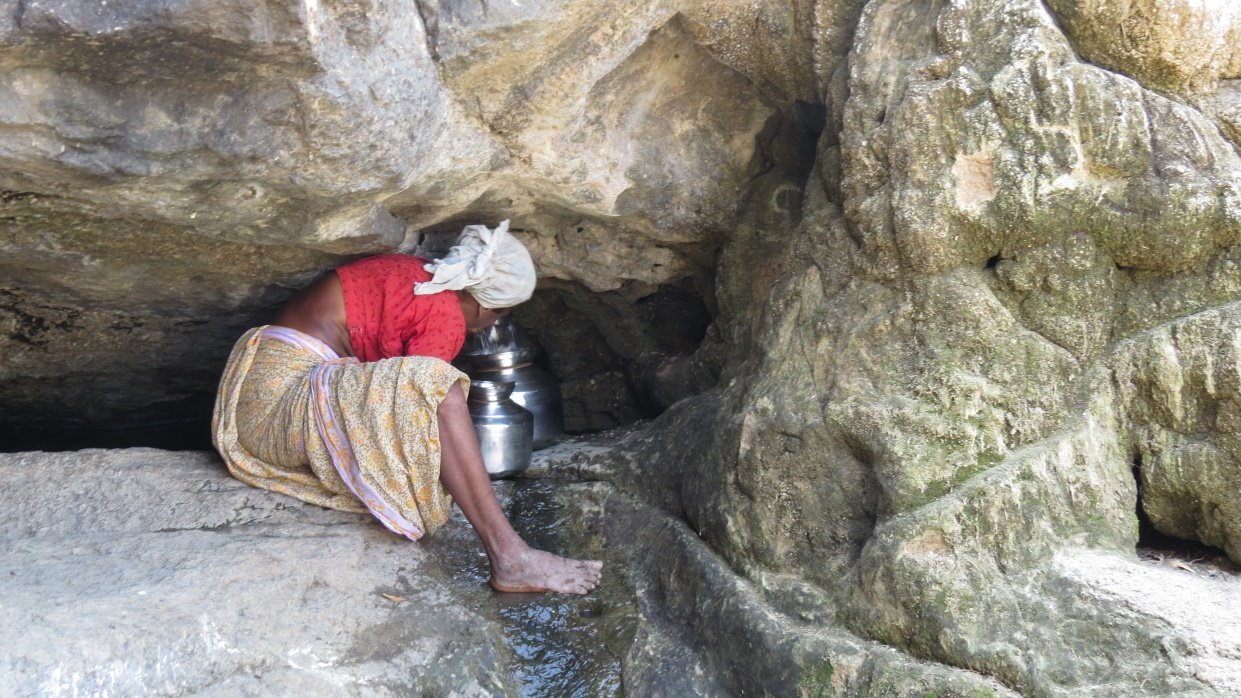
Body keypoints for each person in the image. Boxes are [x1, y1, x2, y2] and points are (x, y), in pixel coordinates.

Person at [212, 221, 602, 594]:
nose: (487, 328)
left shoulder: (414, 272)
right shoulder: (446, 316)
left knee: (434, 389)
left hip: (259, 395)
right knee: (442, 391)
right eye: (500, 313)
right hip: (277, 409)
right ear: (482, 304)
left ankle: (510, 553)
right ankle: (509, 554)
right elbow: (424, 405)